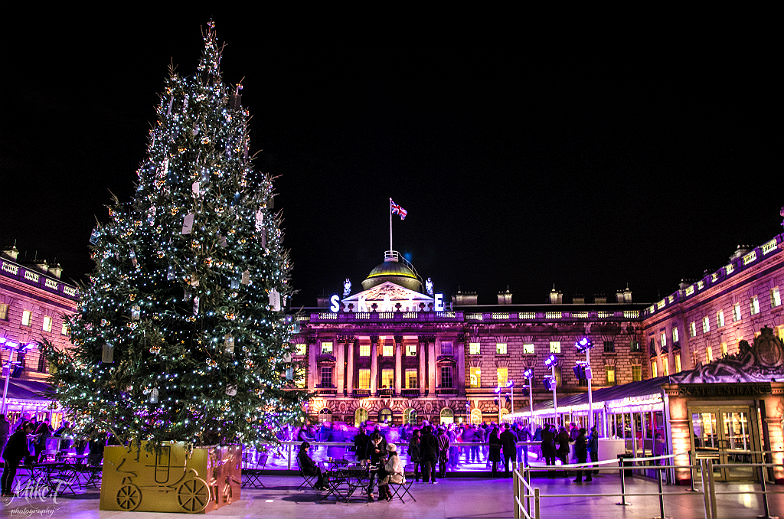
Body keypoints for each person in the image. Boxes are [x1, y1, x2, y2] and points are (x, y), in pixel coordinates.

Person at [2, 422, 35, 496]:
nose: (31, 431)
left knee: (6, 472)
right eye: (31, 429)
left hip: (8, 454)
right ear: (28, 428)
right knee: (11, 472)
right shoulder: (22, 435)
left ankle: (4, 490)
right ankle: (7, 491)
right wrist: (28, 456)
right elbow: (23, 447)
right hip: (12, 456)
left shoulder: (18, 433)